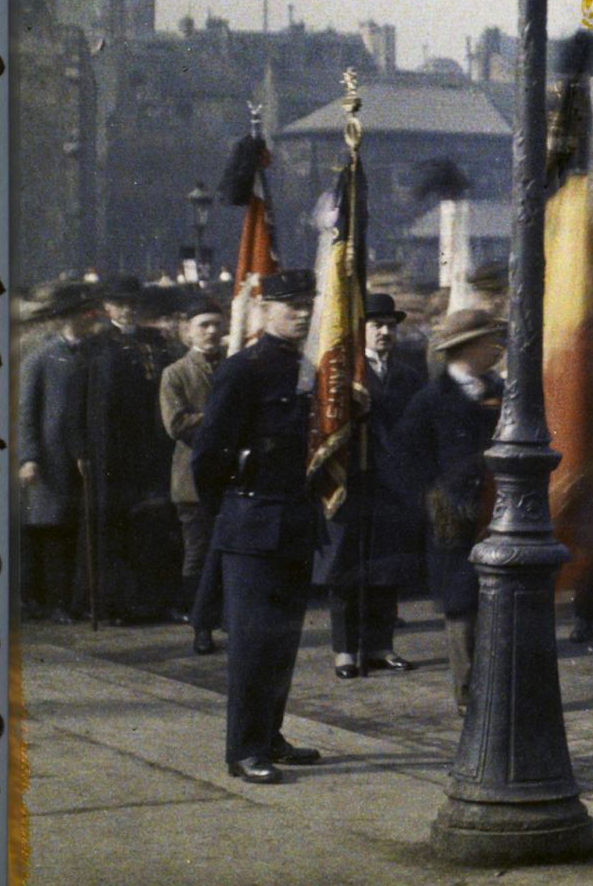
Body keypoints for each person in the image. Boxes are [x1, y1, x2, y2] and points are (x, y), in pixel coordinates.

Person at [191, 269, 325, 784]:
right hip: (251, 522)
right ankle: (243, 750)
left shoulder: (307, 367)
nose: (302, 313)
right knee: (250, 644)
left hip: (294, 520)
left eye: (307, 304)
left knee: (283, 642)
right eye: (290, 305)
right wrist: (231, 509)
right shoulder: (243, 369)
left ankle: (270, 735)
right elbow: (209, 455)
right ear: (264, 308)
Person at [397, 307, 507, 711]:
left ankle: (496, 686)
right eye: (487, 342)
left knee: (498, 599)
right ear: (466, 348)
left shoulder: (499, 390)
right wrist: (435, 497)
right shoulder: (431, 399)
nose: (495, 349)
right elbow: (407, 457)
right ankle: (468, 694)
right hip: (454, 515)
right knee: (462, 604)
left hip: (496, 508)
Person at [316, 293, 426, 678]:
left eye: (390, 326)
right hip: (352, 481)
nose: (384, 332)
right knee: (346, 568)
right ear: (360, 330)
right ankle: (345, 651)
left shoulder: (410, 374)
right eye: (377, 325)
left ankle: (380, 646)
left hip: (392, 484)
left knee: (386, 568)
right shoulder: (343, 375)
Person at [85, 276, 179, 623]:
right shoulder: (99, 346)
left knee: (152, 526)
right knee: (116, 527)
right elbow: (91, 404)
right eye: (119, 303)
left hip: (151, 445)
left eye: (131, 303)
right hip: (113, 449)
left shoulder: (153, 342)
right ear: (108, 307)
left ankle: (152, 600)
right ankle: (117, 604)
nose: (126, 309)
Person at [18, 282, 95, 624]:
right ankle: (49, 601)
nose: (88, 319)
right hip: (50, 459)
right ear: (66, 319)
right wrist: (28, 457)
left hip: (82, 457)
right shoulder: (41, 358)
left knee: (73, 532)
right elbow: (27, 412)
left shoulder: (92, 353)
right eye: (81, 314)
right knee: (51, 532)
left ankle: (68, 599)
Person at [161, 295, 228, 652]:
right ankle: (200, 626)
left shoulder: (233, 366)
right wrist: (218, 417)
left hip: (232, 475)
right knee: (198, 553)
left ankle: (228, 619)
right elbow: (177, 423)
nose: (212, 331)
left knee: (230, 551)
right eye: (204, 325)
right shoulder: (175, 374)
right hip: (193, 480)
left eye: (217, 324)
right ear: (188, 332)